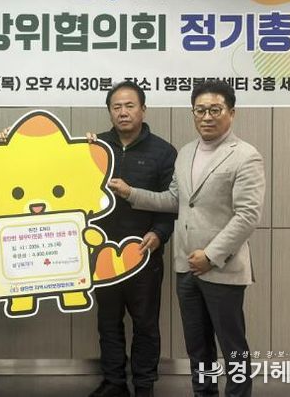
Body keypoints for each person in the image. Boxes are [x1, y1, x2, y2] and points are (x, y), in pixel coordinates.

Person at [110, 79, 265, 397]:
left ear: (231, 113)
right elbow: (174, 200)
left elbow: (247, 215)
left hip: (222, 267)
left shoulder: (245, 155)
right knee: (198, 347)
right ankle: (203, 393)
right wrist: (130, 193)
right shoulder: (186, 153)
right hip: (186, 267)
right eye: (200, 110)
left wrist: (210, 255)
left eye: (215, 110)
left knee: (232, 346)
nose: (206, 117)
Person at [88, 81, 177, 397]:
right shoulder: (96, 147)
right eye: (116, 107)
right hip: (102, 254)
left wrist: (159, 234)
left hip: (144, 254)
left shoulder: (163, 152)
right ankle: (114, 382)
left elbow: (172, 202)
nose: (123, 112)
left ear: (143, 109)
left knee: (146, 324)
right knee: (108, 322)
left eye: (129, 106)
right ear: (109, 111)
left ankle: (143, 384)